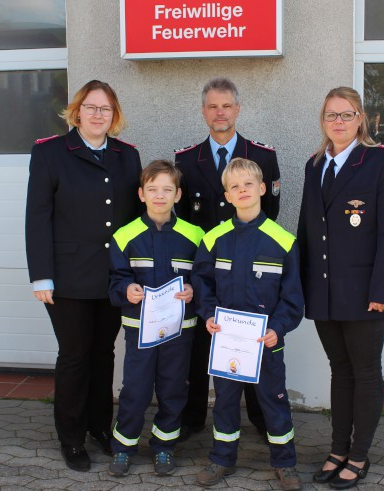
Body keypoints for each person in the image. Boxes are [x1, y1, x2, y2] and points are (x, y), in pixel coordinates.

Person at [25, 79, 142, 472]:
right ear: (77, 112)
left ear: (114, 115)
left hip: (112, 277)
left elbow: (135, 220)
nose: (98, 115)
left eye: (106, 109)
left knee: (104, 354)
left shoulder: (128, 156)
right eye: (91, 107)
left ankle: (99, 427)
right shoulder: (50, 153)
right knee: (74, 356)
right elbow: (37, 217)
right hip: (68, 277)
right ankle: (71, 438)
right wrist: (42, 276)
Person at [297, 87, 384, 490]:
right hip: (324, 291)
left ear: (360, 119)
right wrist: (299, 282)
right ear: (323, 121)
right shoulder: (315, 165)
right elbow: (307, 229)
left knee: (365, 372)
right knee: (339, 371)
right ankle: (337, 449)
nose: (338, 122)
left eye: (346, 114)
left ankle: (359, 455)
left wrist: (383, 291)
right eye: (330, 115)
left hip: (365, 292)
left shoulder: (382, 163)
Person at [175, 77, 281, 440]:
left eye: (226, 106)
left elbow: (271, 217)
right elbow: (185, 223)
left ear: (238, 109)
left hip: (250, 274)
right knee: (200, 346)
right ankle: (192, 420)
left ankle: (261, 419)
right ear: (204, 111)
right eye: (212, 106)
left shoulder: (263, 156)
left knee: (250, 343)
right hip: (206, 274)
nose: (220, 113)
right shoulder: (186, 160)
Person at [192, 158, 304, 490]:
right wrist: (209, 315)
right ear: (226, 195)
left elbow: (293, 297)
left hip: (266, 343)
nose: (242, 191)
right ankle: (221, 459)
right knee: (224, 401)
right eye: (235, 186)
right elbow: (201, 283)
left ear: (262, 189)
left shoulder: (283, 241)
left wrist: (278, 328)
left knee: (274, 400)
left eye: (248, 184)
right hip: (226, 342)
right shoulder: (214, 238)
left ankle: (286, 463)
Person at [107, 160, 204, 477]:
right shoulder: (125, 235)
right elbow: (115, 280)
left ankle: (163, 447)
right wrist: (127, 290)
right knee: (135, 389)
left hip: (180, 331)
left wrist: (193, 290)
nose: (159, 196)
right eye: (152, 189)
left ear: (178, 195)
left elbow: (206, 280)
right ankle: (123, 448)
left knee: (174, 388)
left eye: (167, 189)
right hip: (139, 332)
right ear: (141, 193)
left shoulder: (195, 235)